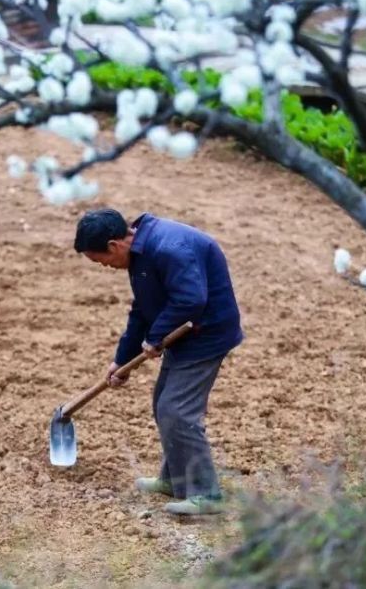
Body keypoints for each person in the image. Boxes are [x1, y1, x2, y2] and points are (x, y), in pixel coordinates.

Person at [74, 209, 243, 515]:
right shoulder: (141, 253)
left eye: (101, 261)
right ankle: (175, 479)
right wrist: (121, 359)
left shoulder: (167, 249)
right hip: (182, 332)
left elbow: (192, 300)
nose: (105, 267)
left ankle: (206, 495)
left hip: (206, 334)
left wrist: (156, 337)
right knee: (162, 403)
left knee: (177, 410)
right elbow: (142, 308)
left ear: (114, 245)